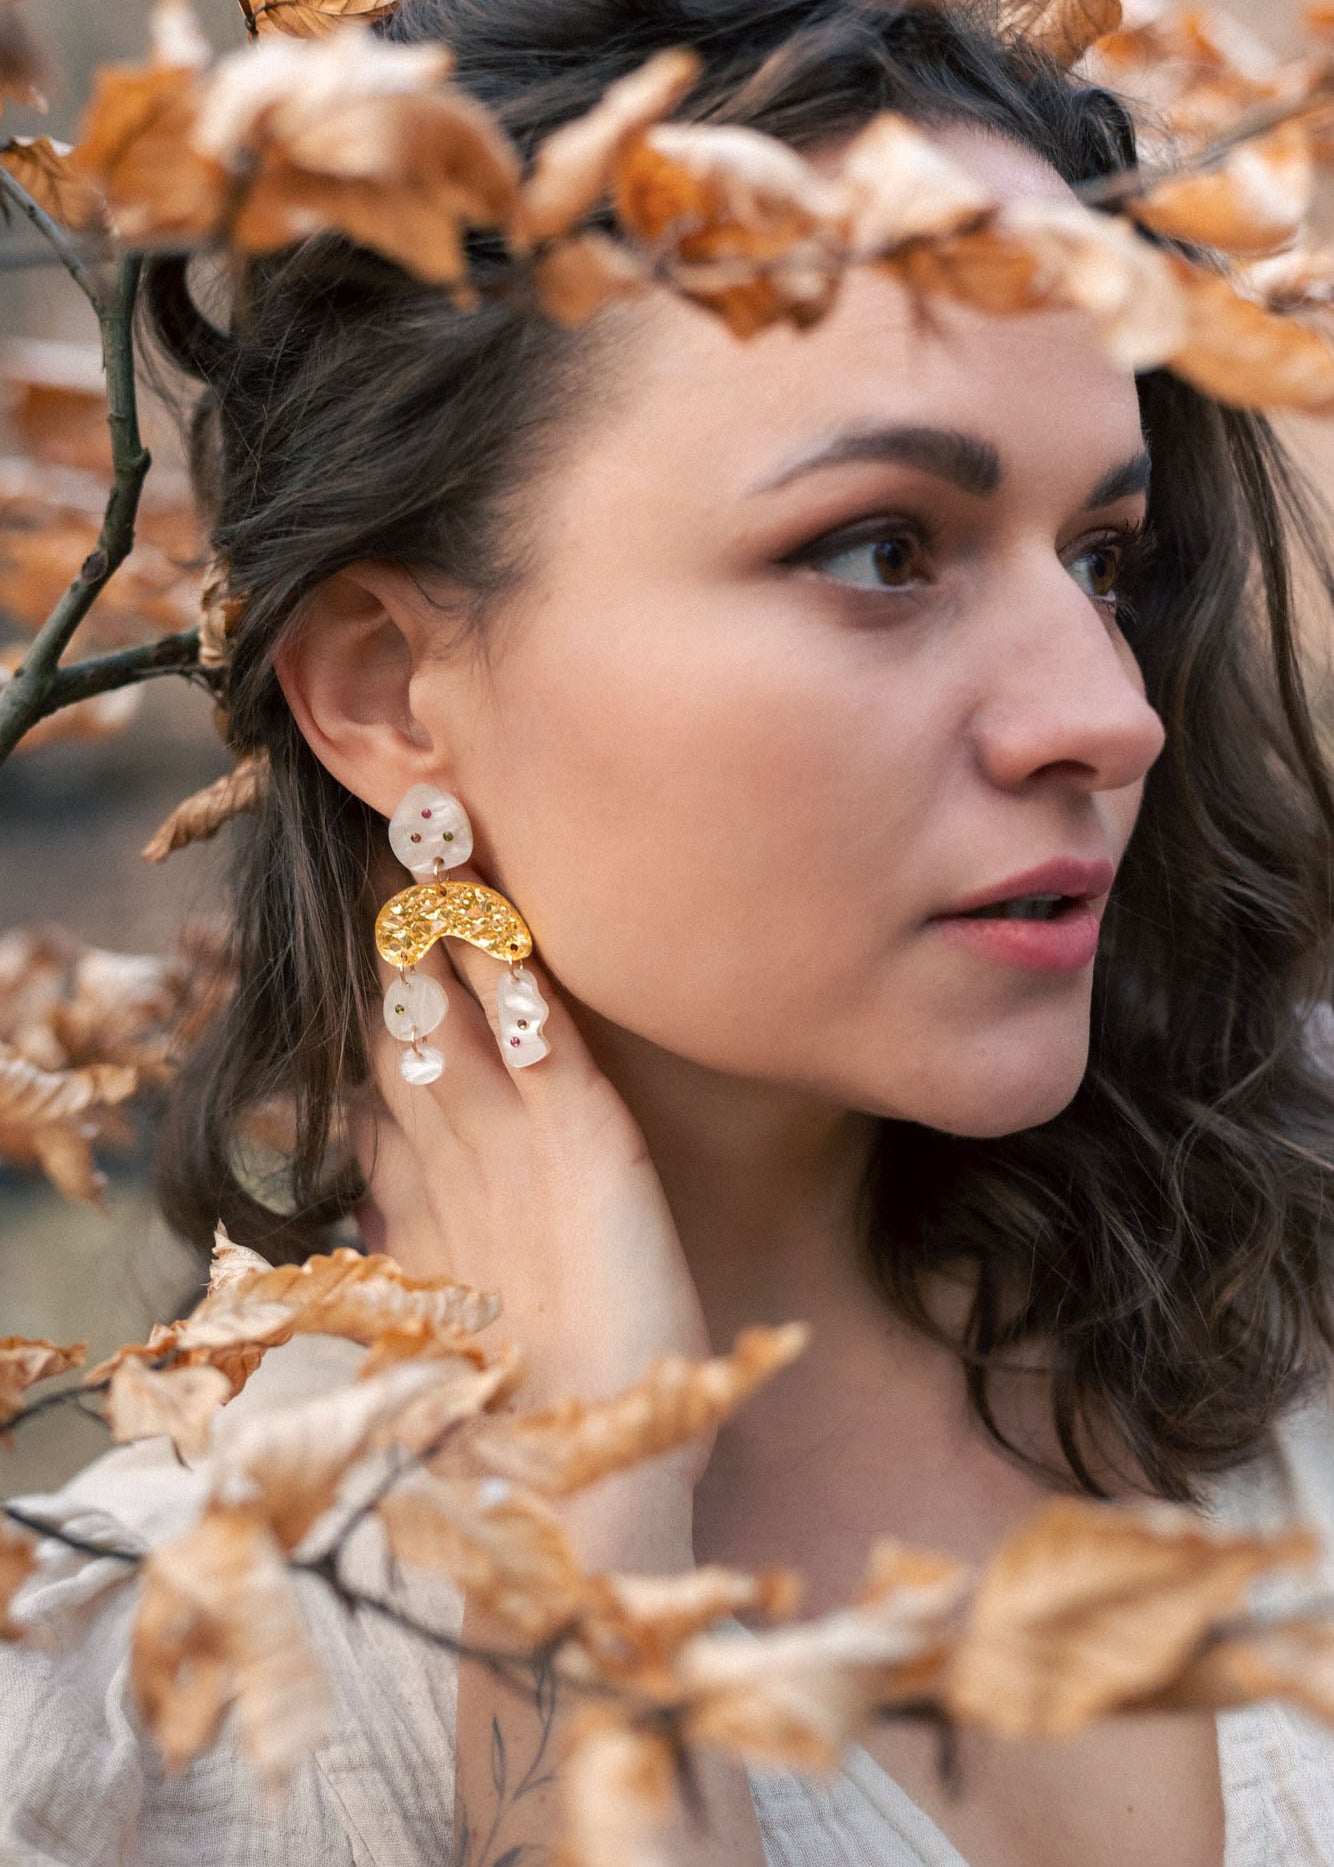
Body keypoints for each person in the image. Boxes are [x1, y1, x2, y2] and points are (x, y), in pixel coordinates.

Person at [4, 1, 1334, 1863]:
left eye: (1099, 560)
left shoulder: (1292, 1294)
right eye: (880, 548)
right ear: (389, 692)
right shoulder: (156, 1725)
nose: (1106, 713)